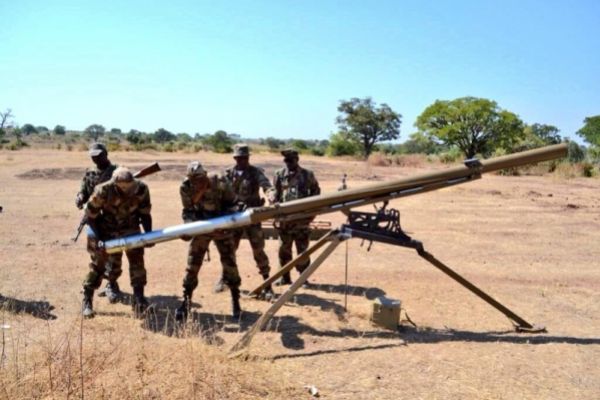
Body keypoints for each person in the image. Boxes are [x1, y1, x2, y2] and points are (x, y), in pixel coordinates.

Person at [81, 167, 153, 318]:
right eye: (123, 188)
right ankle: (87, 300)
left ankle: (139, 300)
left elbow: (145, 214)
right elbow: (91, 217)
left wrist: (148, 234)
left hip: (131, 230)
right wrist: (99, 240)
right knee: (99, 266)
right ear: (115, 184)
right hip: (107, 231)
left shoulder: (141, 189)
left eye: (129, 187)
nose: (127, 190)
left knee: (137, 264)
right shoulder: (102, 190)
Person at [175, 161, 242, 321]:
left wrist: (224, 224)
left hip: (222, 228)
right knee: (192, 265)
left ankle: (236, 301)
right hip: (202, 228)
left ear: (205, 175)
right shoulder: (185, 187)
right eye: (192, 179)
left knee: (230, 264)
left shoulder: (219, 181)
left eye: (198, 179)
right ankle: (186, 302)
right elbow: (188, 211)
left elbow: (234, 205)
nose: (195, 182)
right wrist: (189, 227)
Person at [216, 144, 276, 299]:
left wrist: (271, 194)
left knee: (258, 250)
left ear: (248, 157)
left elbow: (267, 186)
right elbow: (219, 192)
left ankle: (267, 284)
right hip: (234, 218)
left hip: (252, 217)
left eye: (244, 158)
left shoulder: (255, 172)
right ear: (235, 158)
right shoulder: (228, 174)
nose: (242, 160)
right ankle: (224, 278)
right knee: (229, 250)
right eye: (239, 158)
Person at [75, 143, 123, 303]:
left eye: (99, 155)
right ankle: (89, 291)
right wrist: (79, 197)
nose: (96, 158)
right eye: (93, 156)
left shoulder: (117, 171)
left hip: (113, 221)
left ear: (106, 154)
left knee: (115, 257)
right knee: (97, 256)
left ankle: (112, 284)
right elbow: (83, 191)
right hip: (94, 220)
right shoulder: (89, 174)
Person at [273, 149, 321, 286]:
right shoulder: (279, 174)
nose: (288, 163)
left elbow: (316, 193)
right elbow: (276, 195)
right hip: (285, 221)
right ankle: (284, 277)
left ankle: (303, 278)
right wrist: (276, 212)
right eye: (286, 161)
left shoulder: (307, 175)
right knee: (284, 251)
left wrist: (311, 214)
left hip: (302, 221)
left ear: (297, 160)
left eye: (291, 160)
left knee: (303, 252)